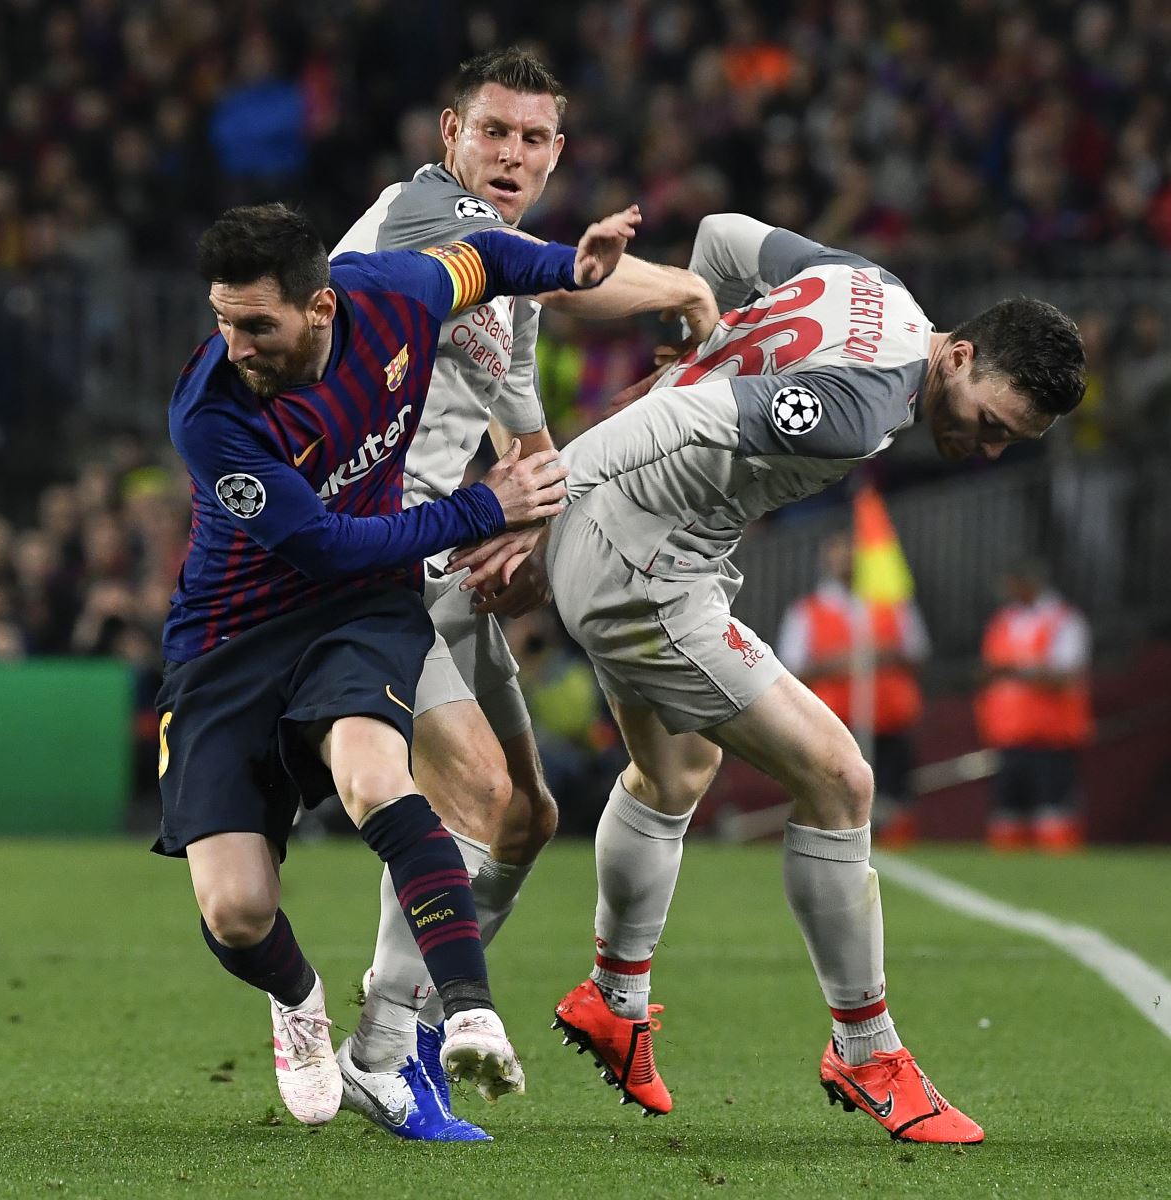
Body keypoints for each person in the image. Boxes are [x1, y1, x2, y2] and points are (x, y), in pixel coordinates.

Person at [453, 212, 1085, 1142]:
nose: (984, 449)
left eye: (1007, 445)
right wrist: (535, 508)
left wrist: (698, 336)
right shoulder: (865, 404)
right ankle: (867, 1051)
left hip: (656, 546)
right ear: (957, 356)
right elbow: (682, 416)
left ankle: (610, 1001)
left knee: (674, 776)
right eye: (990, 424)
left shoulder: (870, 286)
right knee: (840, 777)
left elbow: (719, 237)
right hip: (645, 569)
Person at [156, 201, 620, 1130]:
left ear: (321, 308)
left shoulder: (396, 293)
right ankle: (298, 1001)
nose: (235, 344)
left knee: (376, 777)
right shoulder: (210, 415)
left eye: (256, 324)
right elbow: (323, 543)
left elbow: (483, 257)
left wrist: (570, 262)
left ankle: (466, 1015)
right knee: (239, 911)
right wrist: (484, 509)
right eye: (222, 319)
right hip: (231, 639)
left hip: (358, 612)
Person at [327, 46, 720, 1141]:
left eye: (533, 138)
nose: (510, 153)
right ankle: (383, 1047)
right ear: (449, 133)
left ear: (557, 152)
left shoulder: (512, 289)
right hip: (360, 556)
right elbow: (573, 275)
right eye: (493, 131)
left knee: (530, 817)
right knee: (480, 797)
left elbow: (533, 450)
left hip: (439, 552)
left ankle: (390, 1028)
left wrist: (650, 415)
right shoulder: (419, 215)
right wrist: (688, 288)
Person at [777, 532, 929, 846]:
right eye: (838, 554)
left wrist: (881, 654)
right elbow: (789, 669)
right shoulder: (807, 610)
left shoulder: (890, 602)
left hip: (888, 721)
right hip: (834, 723)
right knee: (836, 799)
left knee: (894, 802)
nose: (845, 562)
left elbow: (917, 652)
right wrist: (838, 663)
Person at [975, 560, 1093, 851]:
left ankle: (1062, 885)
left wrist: (1017, 670)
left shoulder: (1064, 620)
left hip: (1050, 739)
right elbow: (989, 672)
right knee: (1007, 817)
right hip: (1008, 736)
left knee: (1053, 817)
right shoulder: (1003, 621)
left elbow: (1065, 675)